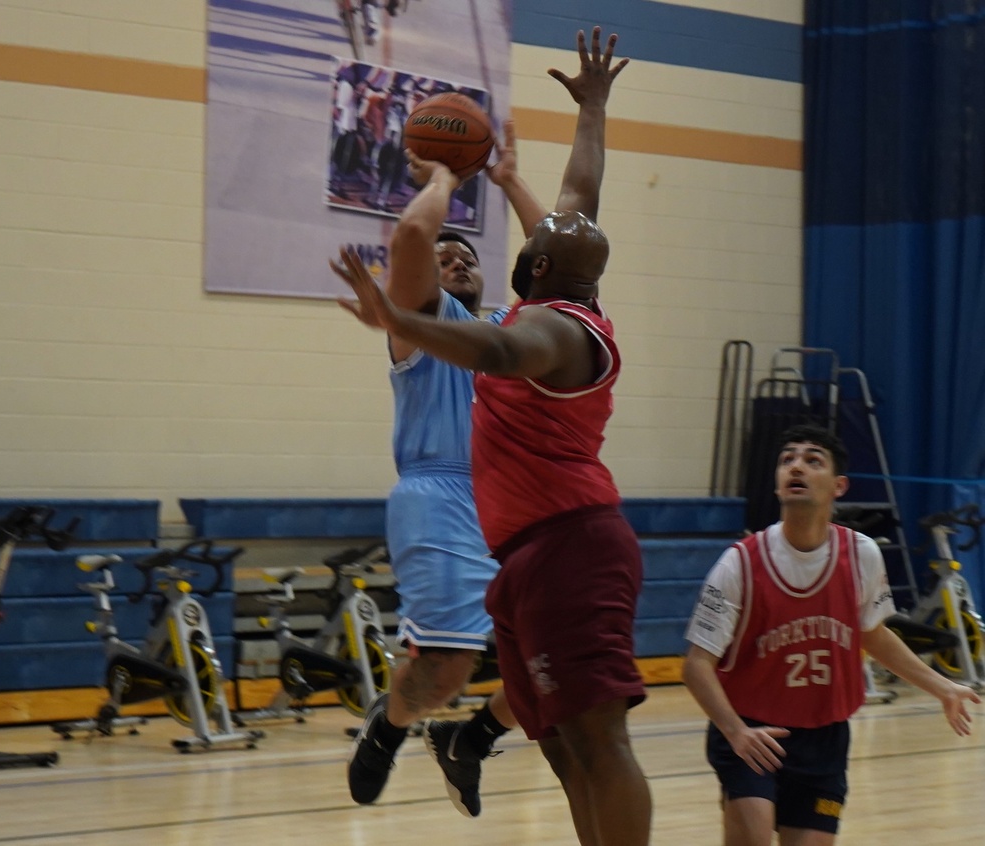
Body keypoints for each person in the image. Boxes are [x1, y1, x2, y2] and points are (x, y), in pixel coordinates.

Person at [334, 28, 652, 846]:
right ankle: (446, 731)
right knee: (556, 732)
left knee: (590, 734)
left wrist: (399, 309)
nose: (545, 222)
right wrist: (590, 111)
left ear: (529, 269)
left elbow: (503, 350)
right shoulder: (541, 297)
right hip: (494, 520)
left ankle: (460, 734)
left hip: (558, 533)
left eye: (535, 236)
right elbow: (577, 195)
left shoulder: (540, 330)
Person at [344, 70, 552, 819]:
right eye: (446, 257)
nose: (457, 260)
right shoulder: (415, 326)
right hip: (437, 494)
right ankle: (393, 725)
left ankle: (471, 740)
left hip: (517, 501)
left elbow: (560, 259)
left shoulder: (508, 328)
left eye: (469, 256)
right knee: (444, 667)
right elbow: (411, 237)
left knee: (556, 673)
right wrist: (439, 176)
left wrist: (509, 179)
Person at [682, 423, 980, 845]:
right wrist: (734, 731)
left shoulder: (861, 555)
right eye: (787, 460)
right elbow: (697, 664)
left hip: (823, 738)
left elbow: (873, 637)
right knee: (752, 835)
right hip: (752, 729)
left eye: (812, 460)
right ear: (778, 482)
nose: (796, 467)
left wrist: (943, 688)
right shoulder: (739, 564)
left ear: (838, 485)